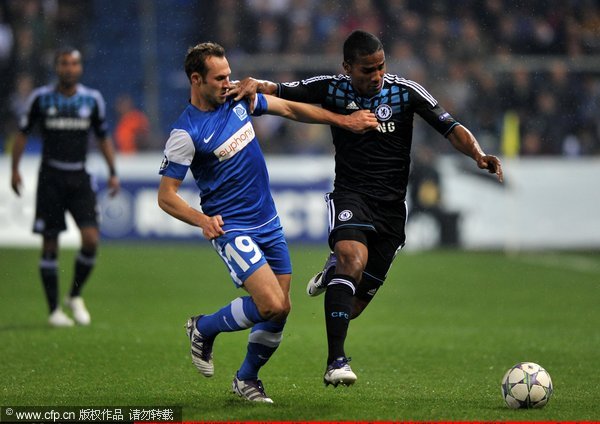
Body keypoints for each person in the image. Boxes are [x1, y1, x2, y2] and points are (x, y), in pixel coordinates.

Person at [231, 29, 503, 387]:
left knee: (353, 306)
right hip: (351, 195)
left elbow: (450, 127)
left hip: (392, 210)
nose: (375, 76)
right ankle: (335, 362)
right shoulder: (331, 88)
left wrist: (479, 155)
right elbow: (284, 91)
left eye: (380, 67)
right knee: (352, 260)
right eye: (366, 70)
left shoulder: (405, 92)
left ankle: (334, 273)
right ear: (347, 67)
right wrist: (253, 84)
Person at [157, 42, 377, 403]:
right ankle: (203, 327)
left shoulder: (238, 100)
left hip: (269, 222)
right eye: (219, 77)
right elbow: (166, 196)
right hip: (232, 228)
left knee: (281, 309)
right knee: (272, 304)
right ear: (196, 80)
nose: (228, 82)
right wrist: (202, 220)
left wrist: (344, 121)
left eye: (229, 74)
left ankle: (246, 378)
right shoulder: (185, 133)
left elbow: (290, 107)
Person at [10, 47, 119, 327]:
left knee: (91, 240)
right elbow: (21, 134)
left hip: (79, 177)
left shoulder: (92, 100)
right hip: (50, 178)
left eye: (73, 64)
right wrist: (14, 169)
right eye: (64, 64)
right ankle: (53, 311)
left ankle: (74, 294)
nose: (69, 68)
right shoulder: (41, 99)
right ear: (56, 67)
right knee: (50, 243)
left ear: (79, 68)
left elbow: (103, 136)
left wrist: (113, 172)